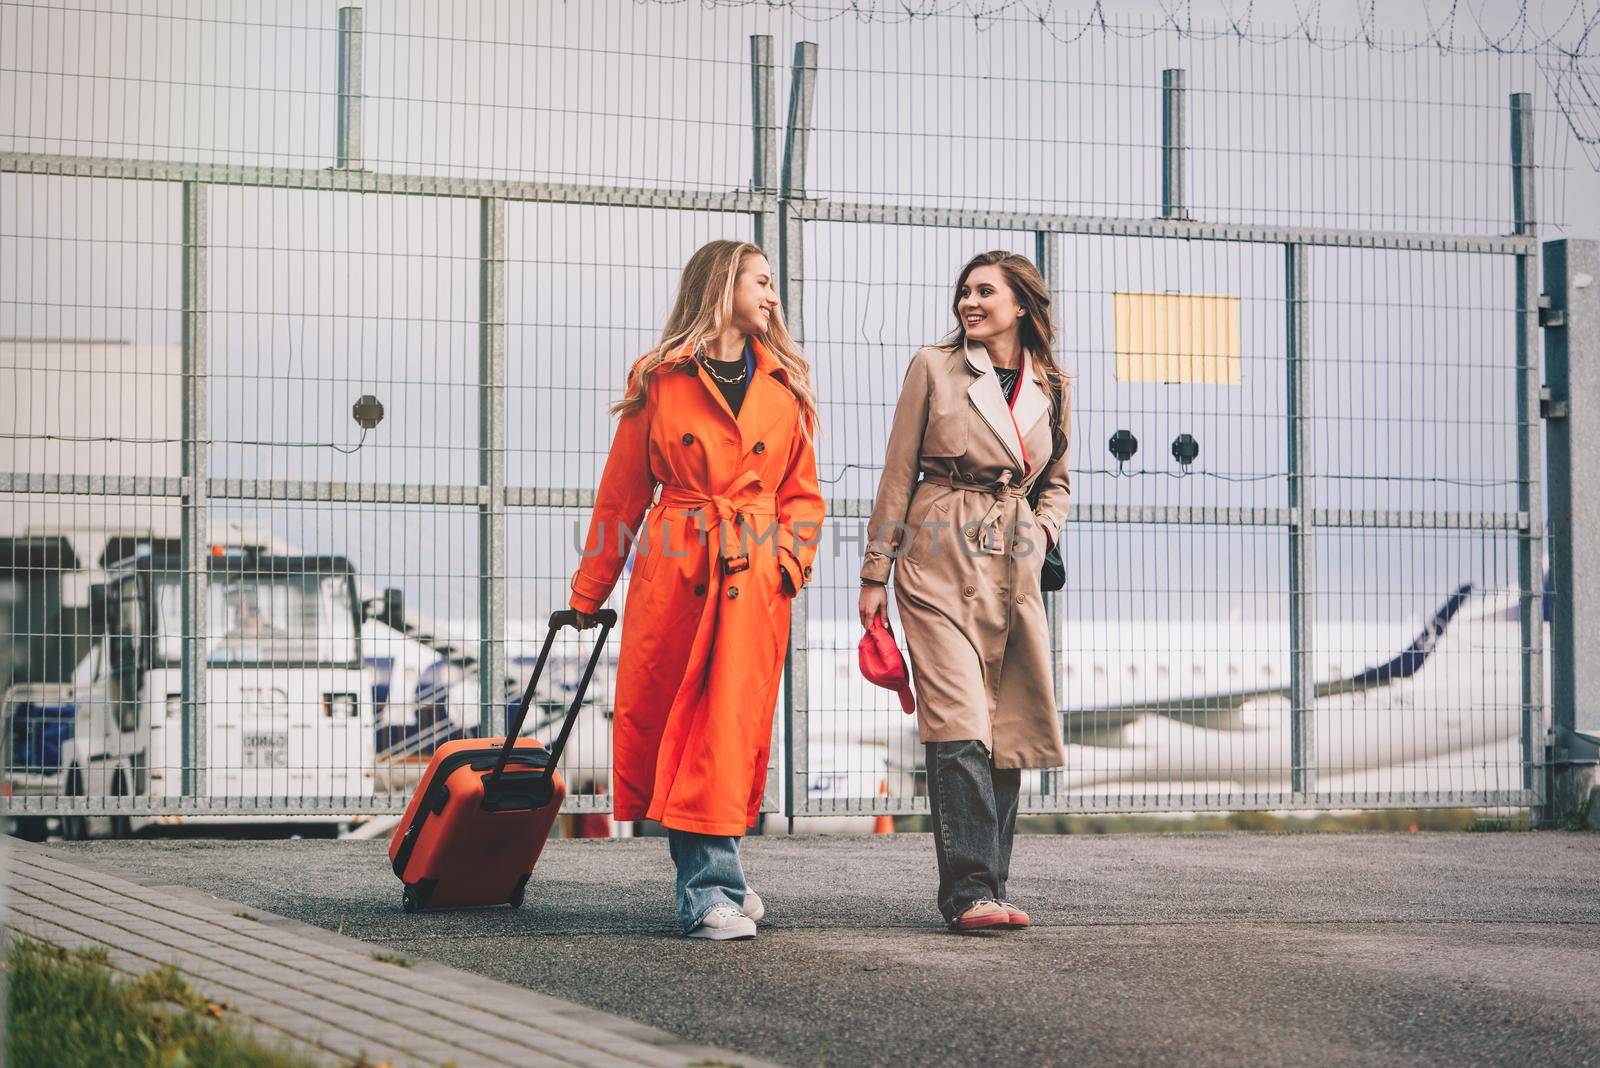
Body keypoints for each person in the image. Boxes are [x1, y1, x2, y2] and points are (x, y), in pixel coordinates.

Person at [568, 240, 824, 941]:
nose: (773, 296)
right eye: (761, 282)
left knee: (728, 731)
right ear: (721, 287)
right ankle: (711, 890)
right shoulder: (659, 377)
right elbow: (621, 495)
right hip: (678, 570)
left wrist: (787, 566)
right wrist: (589, 593)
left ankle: (719, 880)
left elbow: (804, 496)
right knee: (685, 729)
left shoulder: (784, 384)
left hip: (754, 576)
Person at [859, 250, 1072, 932]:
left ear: (1021, 306)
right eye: (964, 291)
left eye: (986, 292)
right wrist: (874, 572)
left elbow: (1058, 480)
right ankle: (969, 893)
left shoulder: (1054, 386)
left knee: (1006, 724)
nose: (969, 302)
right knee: (960, 722)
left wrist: (1042, 532)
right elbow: (896, 473)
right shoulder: (933, 367)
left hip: (1013, 563)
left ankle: (991, 889)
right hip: (935, 553)